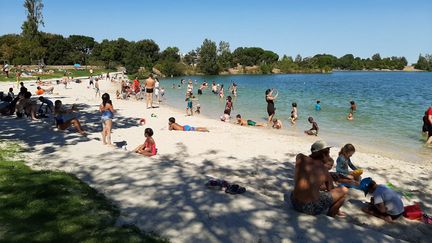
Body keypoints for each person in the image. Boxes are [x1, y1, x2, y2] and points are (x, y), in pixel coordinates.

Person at [290, 140, 348, 217]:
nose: (329, 155)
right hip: (309, 208)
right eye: (328, 153)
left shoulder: (300, 157)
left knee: (316, 187)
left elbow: (310, 171)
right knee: (344, 191)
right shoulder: (323, 170)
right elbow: (331, 190)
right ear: (324, 154)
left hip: (294, 202)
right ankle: (332, 213)